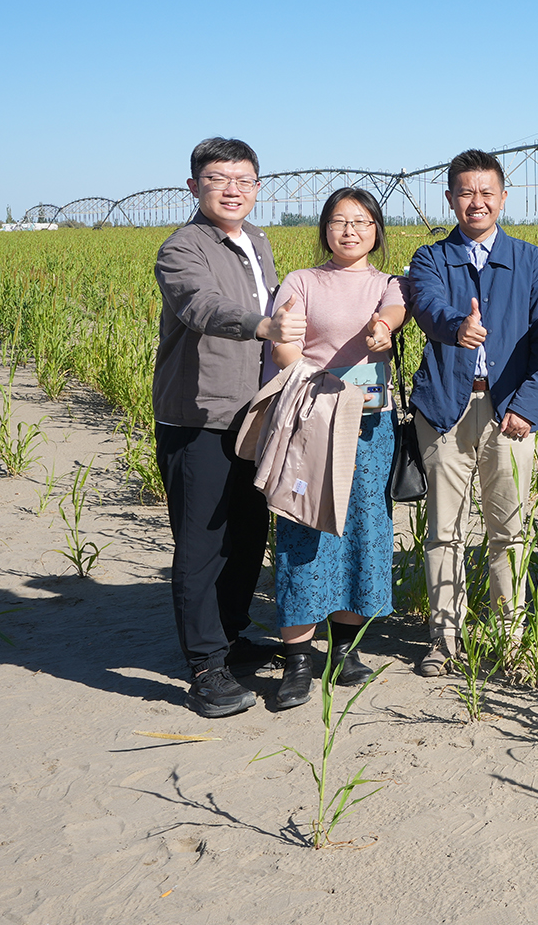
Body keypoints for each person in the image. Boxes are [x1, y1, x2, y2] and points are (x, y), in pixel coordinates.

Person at [155, 137, 302, 717]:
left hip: (254, 415)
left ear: (257, 188)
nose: (232, 189)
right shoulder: (182, 248)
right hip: (199, 418)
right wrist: (263, 326)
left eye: (244, 180)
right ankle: (205, 667)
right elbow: (199, 306)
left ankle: (232, 636)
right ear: (195, 187)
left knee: (245, 534)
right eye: (219, 179)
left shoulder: (257, 241)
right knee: (201, 545)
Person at [403, 149, 538, 677]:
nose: (477, 202)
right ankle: (445, 639)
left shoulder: (530, 260)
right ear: (450, 199)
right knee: (444, 529)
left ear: (503, 198)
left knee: (508, 531)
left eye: (486, 192)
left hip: (509, 409)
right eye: (466, 192)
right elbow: (426, 306)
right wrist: (457, 327)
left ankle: (510, 639)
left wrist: (527, 407)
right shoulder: (431, 258)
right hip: (445, 408)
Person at [262, 187, 408, 710]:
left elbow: (394, 310)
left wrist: (382, 328)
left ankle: (345, 651)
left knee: (362, 531)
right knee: (303, 528)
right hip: (313, 418)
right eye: (340, 221)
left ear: (376, 232)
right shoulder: (302, 281)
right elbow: (284, 347)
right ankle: (298, 659)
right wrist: (314, 375)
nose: (350, 230)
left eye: (362, 222)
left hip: (370, 427)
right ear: (325, 229)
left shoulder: (387, 284)